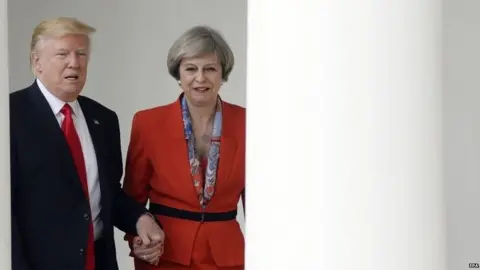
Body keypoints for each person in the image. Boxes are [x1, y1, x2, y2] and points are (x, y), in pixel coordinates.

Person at [10, 17, 165, 270]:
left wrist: (141, 218)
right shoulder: (10, 116)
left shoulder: (103, 119)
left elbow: (109, 194)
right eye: (62, 54)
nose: (74, 62)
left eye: (81, 54)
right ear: (37, 63)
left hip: (98, 262)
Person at [123, 25, 245, 269]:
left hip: (227, 257)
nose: (200, 78)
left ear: (223, 74)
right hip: (164, 254)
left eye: (210, 69)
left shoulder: (248, 123)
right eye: (191, 69)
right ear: (178, 74)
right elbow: (131, 199)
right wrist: (137, 239)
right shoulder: (147, 123)